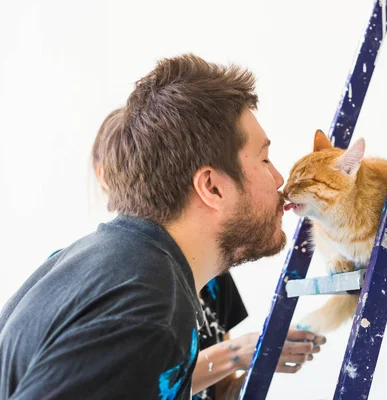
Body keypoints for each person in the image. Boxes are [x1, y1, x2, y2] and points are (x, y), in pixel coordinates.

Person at [0, 54, 322, 399]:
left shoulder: (101, 262)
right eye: (264, 160)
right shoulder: (149, 312)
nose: (279, 179)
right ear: (211, 187)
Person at [90, 107, 326, 399]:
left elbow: (220, 391)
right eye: (263, 159)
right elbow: (132, 387)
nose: (278, 178)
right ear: (103, 175)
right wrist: (236, 352)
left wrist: (258, 362)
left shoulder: (212, 274)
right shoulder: (106, 280)